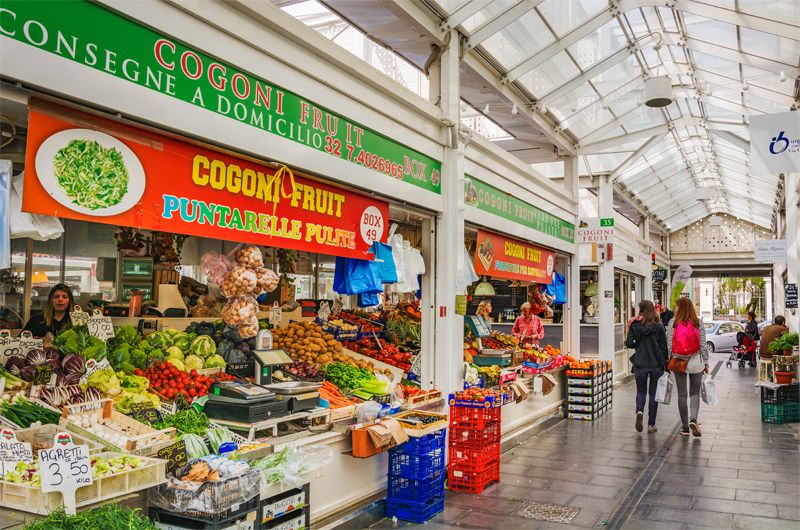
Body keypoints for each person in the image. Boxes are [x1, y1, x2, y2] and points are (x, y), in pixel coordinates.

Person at [666, 297, 708, 438]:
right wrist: (706, 362)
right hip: (696, 361)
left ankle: (684, 427)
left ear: (680, 308)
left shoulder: (673, 323)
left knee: (682, 394)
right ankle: (694, 420)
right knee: (694, 393)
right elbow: (703, 345)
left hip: (679, 361)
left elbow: (669, 346)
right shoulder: (698, 322)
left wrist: (669, 360)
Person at [626, 300, 668, 433]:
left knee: (641, 391)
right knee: (653, 394)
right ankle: (651, 425)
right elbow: (664, 347)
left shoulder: (635, 325)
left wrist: (637, 340)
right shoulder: (659, 326)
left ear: (641, 310)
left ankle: (639, 411)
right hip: (656, 364)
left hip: (640, 363)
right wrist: (666, 364)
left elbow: (629, 343)